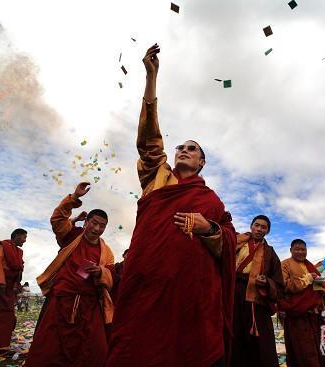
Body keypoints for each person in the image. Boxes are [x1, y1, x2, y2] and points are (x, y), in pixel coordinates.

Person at [106, 44, 237, 367]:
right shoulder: (158, 177)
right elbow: (149, 141)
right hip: (147, 286)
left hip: (192, 299)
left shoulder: (211, 200)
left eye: (192, 149)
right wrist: (151, 78)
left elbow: (230, 240)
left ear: (202, 162)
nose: (183, 150)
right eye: (180, 146)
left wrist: (209, 227)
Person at [25, 182, 114, 367]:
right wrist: (74, 198)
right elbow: (57, 219)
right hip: (61, 301)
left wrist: (100, 271)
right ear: (86, 221)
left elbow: (111, 275)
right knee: (49, 348)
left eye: (102, 226)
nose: (97, 229)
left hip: (89, 306)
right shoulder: (72, 235)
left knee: (94, 350)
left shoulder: (107, 251)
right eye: (94, 223)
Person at [231, 215, 284, 367]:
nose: (259, 229)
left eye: (264, 227)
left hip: (256, 297)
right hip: (233, 292)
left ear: (267, 231)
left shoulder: (270, 253)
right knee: (234, 332)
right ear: (251, 226)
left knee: (260, 340)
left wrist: (267, 282)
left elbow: (278, 282)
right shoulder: (237, 242)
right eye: (257, 225)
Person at [279, 239, 325, 367]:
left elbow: (319, 288)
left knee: (320, 349)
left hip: (315, 315)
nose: (300, 252)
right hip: (297, 315)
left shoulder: (310, 266)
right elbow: (284, 286)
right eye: (297, 249)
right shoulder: (285, 265)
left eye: (303, 249)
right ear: (291, 250)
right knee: (303, 350)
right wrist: (306, 279)